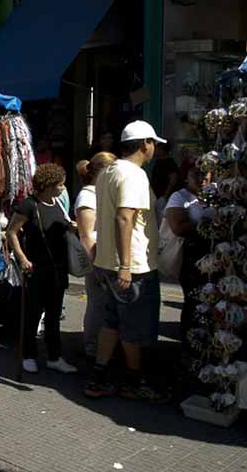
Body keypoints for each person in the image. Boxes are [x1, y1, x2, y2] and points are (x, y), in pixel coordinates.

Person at [85, 120, 167, 402]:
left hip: (110, 263)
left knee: (112, 322)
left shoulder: (108, 172)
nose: (154, 148)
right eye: (153, 143)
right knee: (133, 328)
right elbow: (124, 217)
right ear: (145, 143)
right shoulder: (134, 174)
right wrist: (126, 266)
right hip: (132, 268)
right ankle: (135, 382)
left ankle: (98, 377)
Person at [6, 164, 79, 375]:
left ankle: (55, 357)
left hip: (58, 268)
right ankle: (28, 354)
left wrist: (72, 227)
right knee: (33, 314)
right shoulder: (29, 206)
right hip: (36, 269)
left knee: (54, 315)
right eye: (60, 184)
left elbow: (64, 226)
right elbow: (11, 232)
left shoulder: (57, 203)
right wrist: (22, 258)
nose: (63, 188)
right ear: (48, 185)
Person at [74, 152, 118, 363]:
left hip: (108, 258)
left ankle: (100, 344)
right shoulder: (87, 197)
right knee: (97, 304)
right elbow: (86, 236)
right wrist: (95, 266)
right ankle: (91, 345)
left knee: (105, 304)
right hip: (97, 260)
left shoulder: (101, 194)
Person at [163, 166, 210, 349]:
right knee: (194, 300)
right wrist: (208, 225)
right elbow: (178, 227)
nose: (201, 178)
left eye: (205, 174)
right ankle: (190, 345)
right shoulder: (179, 197)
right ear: (186, 178)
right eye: (195, 174)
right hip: (192, 257)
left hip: (214, 256)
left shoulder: (214, 193)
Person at [151, 142, 179, 224]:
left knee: (161, 221)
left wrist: (165, 196)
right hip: (156, 197)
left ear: (163, 149)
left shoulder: (170, 163)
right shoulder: (158, 162)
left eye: (158, 148)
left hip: (163, 198)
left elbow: (173, 180)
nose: (155, 150)